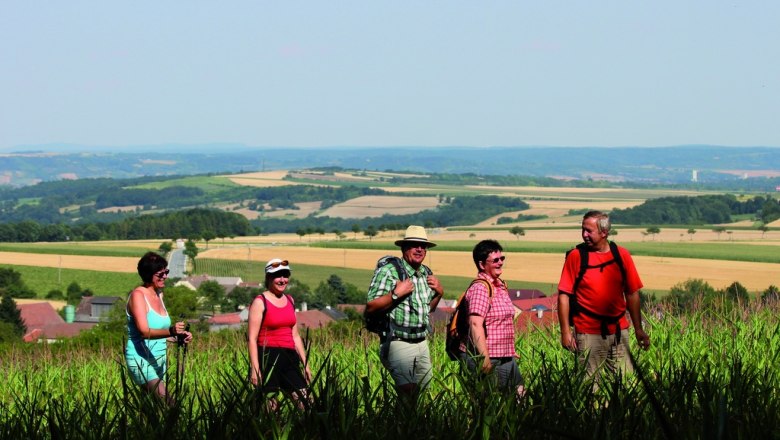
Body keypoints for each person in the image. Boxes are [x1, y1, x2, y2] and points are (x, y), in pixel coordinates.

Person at [557, 210, 651, 379]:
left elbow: (632, 294)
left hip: (619, 332)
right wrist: (565, 332)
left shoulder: (622, 255)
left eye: (589, 231)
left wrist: (638, 329)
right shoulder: (576, 256)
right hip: (587, 334)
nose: (584, 235)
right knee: (591, 389)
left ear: (604, 232)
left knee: (624, 383)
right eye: (583, 229)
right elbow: (563, 296)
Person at [365, 225, 444, 400]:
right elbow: (371, 306)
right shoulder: (389, 271)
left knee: (425, 393)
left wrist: (439, 293)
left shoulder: (425, 274)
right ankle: (400, 426)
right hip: (398, 341)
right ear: (403, 248)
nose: (419, 249)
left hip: (422, 342)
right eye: (414, 245)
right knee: (408, 392)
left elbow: (428, 309)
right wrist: (395, 295)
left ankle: (415, 426)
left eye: (423, 246)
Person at [457, 239, 524, 399]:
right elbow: (475, 323)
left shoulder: (500, 286)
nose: (500, 262)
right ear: (482, 264)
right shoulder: (480, 288)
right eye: (495, 260)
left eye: (502, 258)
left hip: (505, 356)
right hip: (486, 357)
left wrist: (510, 350)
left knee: (519, 395)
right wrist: (484, 359)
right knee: (486, 406)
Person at [125, 251, 192, 403]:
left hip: (159, 358)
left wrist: (178, 336)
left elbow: (161, 332)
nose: (165, 277)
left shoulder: (159, 294)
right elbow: (144, 331)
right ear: (148, 275)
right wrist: (171, 330)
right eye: (160, 274)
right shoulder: (138, 296)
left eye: (166, 272)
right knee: (170, 404)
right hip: (141, 359)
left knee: (151, 409)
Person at [247, 258, 312, 410]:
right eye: (278, 276)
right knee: (272, 408)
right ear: (268, 277)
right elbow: (252, 338)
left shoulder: (290, 300)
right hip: (268, 357)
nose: (283, 280)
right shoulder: (260, 302)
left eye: (285, 275)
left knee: (306, 404)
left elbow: (295, 335)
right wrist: (255, 369)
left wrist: (306, 364)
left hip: (290, 358)